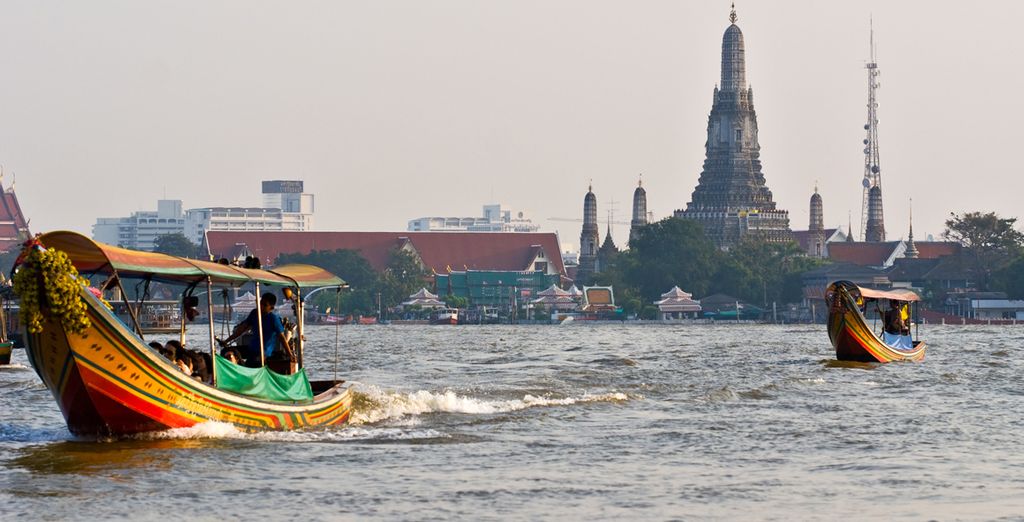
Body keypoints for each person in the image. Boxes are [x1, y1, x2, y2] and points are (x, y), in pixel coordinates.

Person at [219, 292, 290, 368]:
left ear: (271, 308)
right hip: (251, 348)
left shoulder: (274, 319)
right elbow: (241, 329)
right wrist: (226, 341)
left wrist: (290, 354)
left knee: (251, 363)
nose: (261, 306)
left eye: (265, 305)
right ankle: (237, 369)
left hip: (263, 352)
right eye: (260, 303)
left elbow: (282, 338)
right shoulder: (254, 313)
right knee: (225, 352)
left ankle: (244, 368)